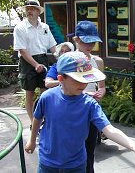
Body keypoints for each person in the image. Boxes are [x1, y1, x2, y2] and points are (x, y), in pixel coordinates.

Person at [25, 52, 135, 172]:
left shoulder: (89, 104)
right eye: (78, 79)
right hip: (48, 162)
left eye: (86, 78)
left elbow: (109, 129)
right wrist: (32, 141)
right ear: (61, 79)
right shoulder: (47, 97)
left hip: (76, 164)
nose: (83, 84)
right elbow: (37, 118)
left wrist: (133, 145)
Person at [47, 21, 106, 173]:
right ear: (76, 40)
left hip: (90, 108)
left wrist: (101, 92)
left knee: (89, 150)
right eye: (87, 41)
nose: (90, 45)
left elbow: (102, 86)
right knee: (70, 150)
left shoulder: (98, 62)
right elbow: (55, 83)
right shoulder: (67, 61)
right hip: (70, 109)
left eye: (93, 42)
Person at [13, 0, 57, 127]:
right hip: (27, 61)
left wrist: (61, 57)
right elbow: (23, 50)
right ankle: (33, 122)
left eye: (32, 8)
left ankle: (45, 119)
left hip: (43, 58)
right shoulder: (20, 28)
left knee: (45, 91)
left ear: (38, 11)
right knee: (30, 92)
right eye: (27, 9)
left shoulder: (45, 27)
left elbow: (53, 46)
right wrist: (35, 65)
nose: (29, 11)